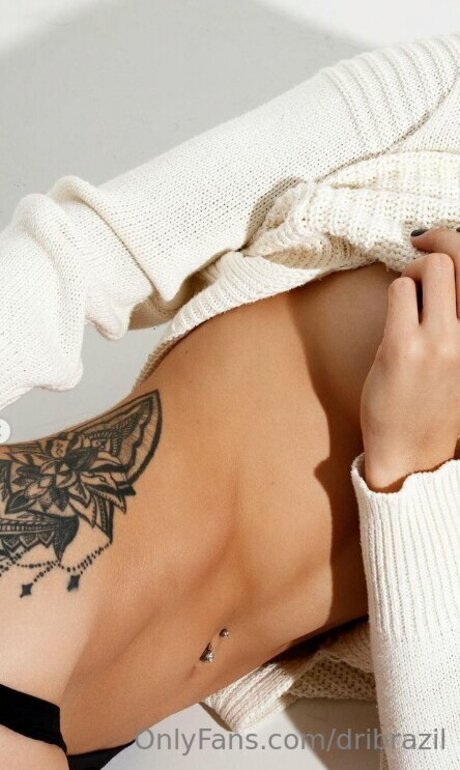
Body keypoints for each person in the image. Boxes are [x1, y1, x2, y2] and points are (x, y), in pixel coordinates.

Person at [0, 34, 459, 770]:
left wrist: (410, 474)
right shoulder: (445, 104)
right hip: (23, 589)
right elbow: (81, 250)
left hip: (98, 729)